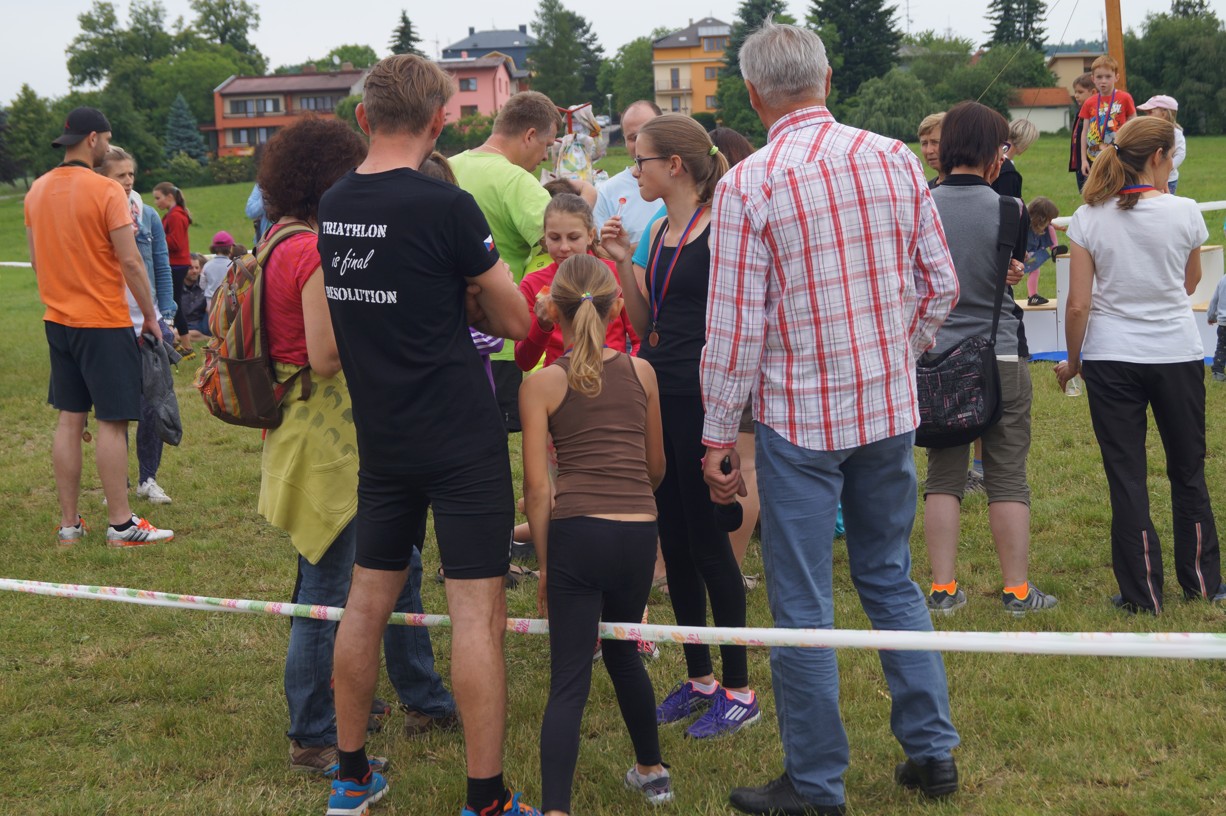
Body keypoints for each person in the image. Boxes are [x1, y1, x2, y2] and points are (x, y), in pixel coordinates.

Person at [698, 23, 960, 813]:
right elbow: (940, 285)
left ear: (753, 95)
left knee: (804, 604)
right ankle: (933, 753)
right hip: (885, 408)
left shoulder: (749, 183)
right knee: (890, 577)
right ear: (828, 78)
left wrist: (717, 431)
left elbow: (735, 328)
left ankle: (816, 785)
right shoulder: (894, 157)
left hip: (799, 420)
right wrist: (894, 350)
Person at [316, 55, 533, 816]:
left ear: (363, 117)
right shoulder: (448, 205)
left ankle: (350, 777)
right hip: (460, 436)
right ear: (441, 120)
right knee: (477, 615)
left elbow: (358, 315)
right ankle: (486, 799)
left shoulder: (334, 203)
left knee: (365, 603)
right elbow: (516, 320)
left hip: (384, 438)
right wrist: (468, 299)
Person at [251, 115, 460, 782]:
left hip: (316, 434)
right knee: (328, 591)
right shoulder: (311, 251)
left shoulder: (276, 240)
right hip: (330, 443)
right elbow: (325, 354)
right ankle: (314, 735)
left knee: (399, 566)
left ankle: (423, 696)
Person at [602, 113, 761, 741]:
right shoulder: (657, 230)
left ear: (674, 165)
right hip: (659, 393)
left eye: (640, 160)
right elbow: (646, 323)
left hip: (703, 398)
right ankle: (700, 678)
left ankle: (740, 689)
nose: (632, 171)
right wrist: (623, 265)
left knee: (709, 542)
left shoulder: (721, 227)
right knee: (674, 537)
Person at [520, 254, 670, 816]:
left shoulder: (541, 384)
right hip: (638, 534)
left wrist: (544, 566)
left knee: (569, 678)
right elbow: (655, 469)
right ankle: (653, 772)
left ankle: (555, 808)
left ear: (551, 310)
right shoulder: (643, 372)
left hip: (578, 536)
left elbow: (538, 491)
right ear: (615, 308)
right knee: (624, 651)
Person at [1056, 116, 1223, 615]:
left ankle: (1142, 594)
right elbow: (1190, 282)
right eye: (1172, 157)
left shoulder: (1088, 216)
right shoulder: (1185, 211)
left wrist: (1073, 362)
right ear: (1157, 157)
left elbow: (1078, 304)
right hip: (1176, 352)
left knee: (1126, 476)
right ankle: (1202, 583)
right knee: (1188, 470)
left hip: (1110, 358)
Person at [922, 101, 1058, 618]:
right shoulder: (1011, 209)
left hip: (938, 355)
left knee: (943, 476)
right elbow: (1004, 269)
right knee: (1007, 475)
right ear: (995, 155)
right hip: (1000, 351)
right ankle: (1017, 592)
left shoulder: (922, 205)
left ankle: (942, 590)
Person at [26, 106, 174, 547]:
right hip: (103, 322)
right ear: (92, 138)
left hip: (58, 321)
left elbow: (35, 262)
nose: (108, 147)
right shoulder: (107, 190)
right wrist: (151, 316)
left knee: (70, 420)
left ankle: (69, 525)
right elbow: (130, 260)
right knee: (112, 421)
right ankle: (122, 524)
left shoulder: (36, 190)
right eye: (107, 140)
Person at [451, 91, 595, 433]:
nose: (544, 156)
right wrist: (588, 195)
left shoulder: (450, 165)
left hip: (453, 331)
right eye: (546, 145)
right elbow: (567, 237)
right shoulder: (516, 180)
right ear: (529, 135)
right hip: (501, 336)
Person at [97, 145, 177, 506]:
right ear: (103, 178)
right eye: (120, 175)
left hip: (148, 323)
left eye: (131, 174)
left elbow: (161, 267)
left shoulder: (148, 216)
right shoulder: (95, 213)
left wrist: (166, 315)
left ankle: (148, 479)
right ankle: (119, 484)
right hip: (109, 322)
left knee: (152, 407)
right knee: (116, 411)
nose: (128, 181)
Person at [516, 194, 637, 371]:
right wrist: (542, 326)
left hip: (612, 375)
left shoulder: (614, 274)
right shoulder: (532, 283)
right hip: (559, 380)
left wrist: (628, 372)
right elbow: (524, 361)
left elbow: (639, 338)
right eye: (555, 238)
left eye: (573, 238)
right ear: (544, 238)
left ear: (590, 236)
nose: (564, 247)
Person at [592, 101, 662, 247]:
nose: (640, 143)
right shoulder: (608, 192)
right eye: (632, 138)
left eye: (646, 134)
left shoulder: (684, 183)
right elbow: (601, 249)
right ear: (624, 140)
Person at [152, 180, 194, 353]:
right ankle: (178, 341)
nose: (156, 202)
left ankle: (186, 345)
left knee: (172, 303)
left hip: (176, 264)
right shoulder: (173, 214)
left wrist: (154, 239)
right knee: (171, 302)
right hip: (178, 263)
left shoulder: (175, 216)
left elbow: (175, 243)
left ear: (169, 197)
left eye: (158, 198)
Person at [1079, 55, 1135, 181]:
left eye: (1108, 76)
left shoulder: (1125, 98)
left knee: (1118, 185)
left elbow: (1134, 124)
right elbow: (1084, 132)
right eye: (1099, 77)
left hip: (1120, 154)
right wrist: (1083, 160)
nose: (1103, 81)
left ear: (1116, 77)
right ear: (1093, 79)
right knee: (1098, 187)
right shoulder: (1089, 102)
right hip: (1095, 156)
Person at [1137, 95, 1186, 195]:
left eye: (1150, 112)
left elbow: (1180, 154)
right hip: (1147, 179)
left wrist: (1167, 168)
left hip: (1168, 180)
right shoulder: (1146, 132)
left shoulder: (1175, 133)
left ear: (1164, 114)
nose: (1147, 116)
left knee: (1165, 202)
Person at [1023, 196, 1061, 306]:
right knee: (1034, 271)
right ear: (1041, 219)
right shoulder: (1024, 225)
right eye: (1049, 220)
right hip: (1024, 255)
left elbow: (1050, 226)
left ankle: (1055, 250)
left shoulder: (1044, 225)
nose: (1050, 222)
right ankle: (1032, 296)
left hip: (1033, 253)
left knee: (1050, 229)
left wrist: (1058, 227)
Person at [991, 118, 1038, 199]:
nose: (1027, 148)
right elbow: (1007, 205)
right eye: (1028, 144)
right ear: (1024, 142)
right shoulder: (1008, 173)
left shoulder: (989, 158)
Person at [1069, 73, 1096, 192]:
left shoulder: (1095, 114)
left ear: (1093, 92)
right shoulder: (1079, 112)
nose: (1076, 95)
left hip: (1091, 161)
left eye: (1080, 92)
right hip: (1080, 161)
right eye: (1075, 92)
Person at [202, 231, 236, 309]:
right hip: (227, 299)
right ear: (230, 248)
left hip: (210, 299)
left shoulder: (207, 265)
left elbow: (202, 284)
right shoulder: (232, 265)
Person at [182, 253, 210, 344]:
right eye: (190, 268)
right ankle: (205, 338)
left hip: (200, 325)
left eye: (197, 268)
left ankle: (183, 336)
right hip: (182, 324)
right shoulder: (175, 286)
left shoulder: (206, 285)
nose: (194, 271)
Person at [918, 112, 945, 188]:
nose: (929, 151)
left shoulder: (965, 187)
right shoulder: (926, 189)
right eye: (924, 143)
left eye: (935, 142)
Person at [1209, 272, 1226, 382]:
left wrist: (1211, 316)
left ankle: (1217, 373)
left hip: (1223, 323)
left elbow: (1214, 300)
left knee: (1221, 348)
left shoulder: (1223, 279)